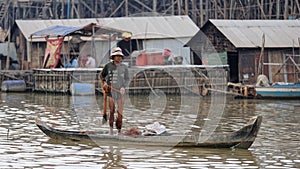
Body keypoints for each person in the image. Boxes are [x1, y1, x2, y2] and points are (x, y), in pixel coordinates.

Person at [100, 47, 129, 135]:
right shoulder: (108, 66)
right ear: (113, 57)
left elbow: (127, 79)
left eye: (120, 56)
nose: (118, 58)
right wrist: (104, 83)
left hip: (120, 91)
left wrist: (124, 87)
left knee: (120, 112)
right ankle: (111, 130)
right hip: (110, 91)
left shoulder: (124, 67)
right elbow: (102, 76)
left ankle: (119, 130)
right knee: (111, 110)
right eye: (116, 56)